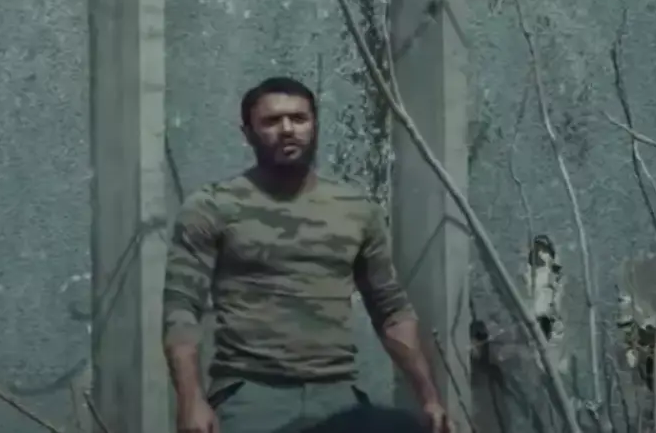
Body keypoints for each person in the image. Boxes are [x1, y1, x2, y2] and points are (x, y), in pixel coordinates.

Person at [162, 76, 451, 433]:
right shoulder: (213, 206)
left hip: (337, 393)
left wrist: (429, 396)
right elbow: (181, 308)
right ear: (248, 133)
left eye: (298, 119)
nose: (287, 129)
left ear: (314, 125)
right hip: (251, 393)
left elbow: (390, 309)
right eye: (271, 121)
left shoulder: (355, 209)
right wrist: (191, 400)